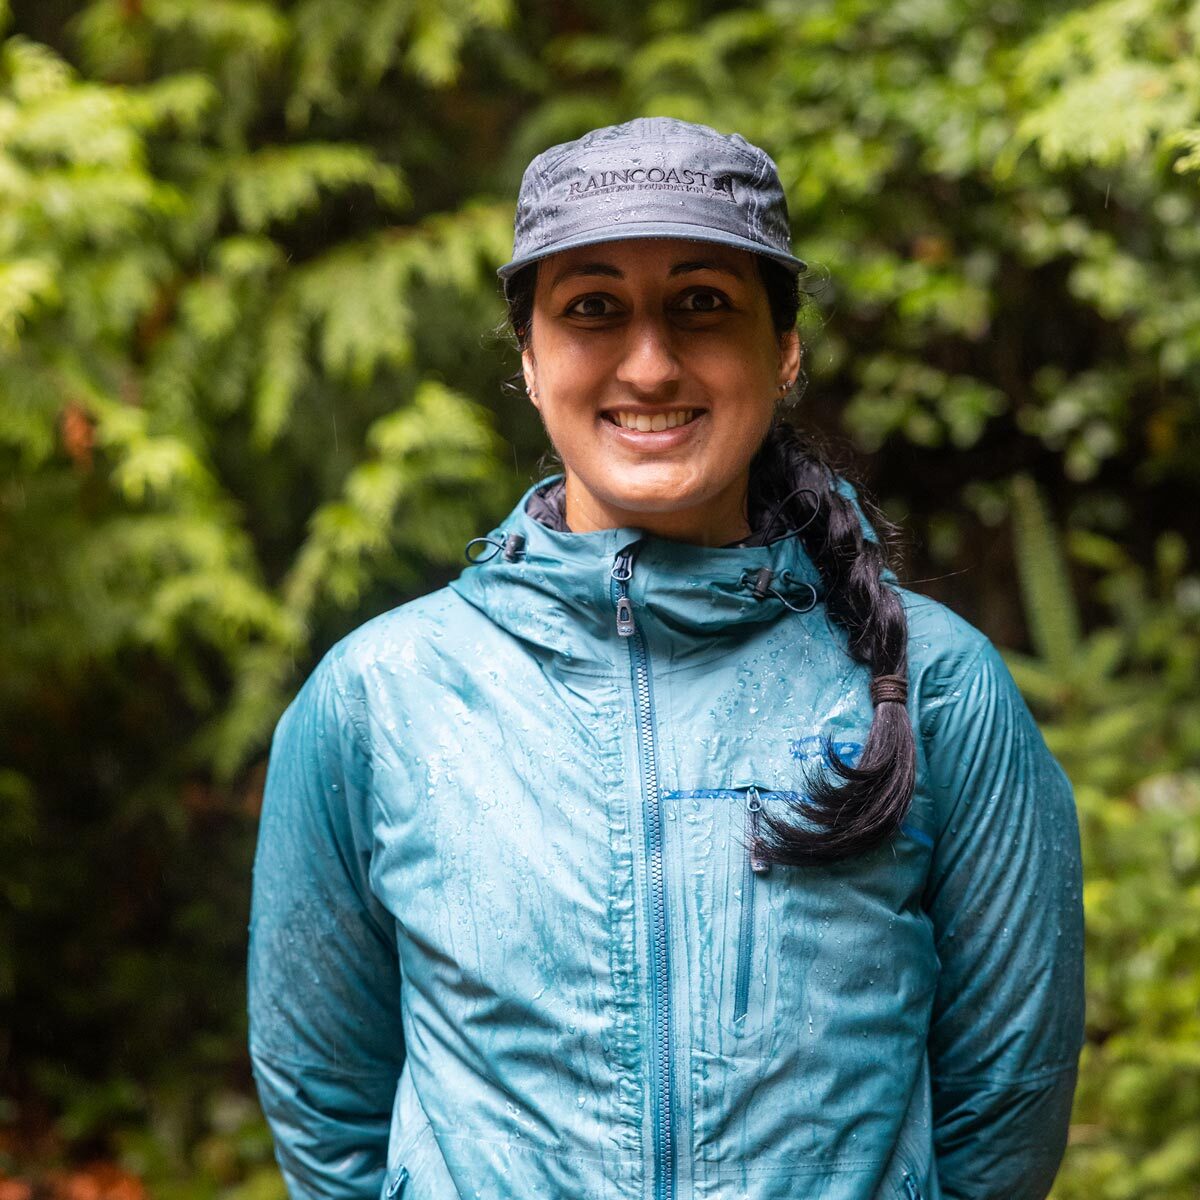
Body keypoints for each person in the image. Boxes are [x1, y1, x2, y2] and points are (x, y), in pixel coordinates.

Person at [247, 117, 1085, 1200]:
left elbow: (1003, 1112)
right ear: (530, 355)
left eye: (703, 304)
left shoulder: (939, 691)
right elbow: (328, 1110)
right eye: (593, 308)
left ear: (783, 351)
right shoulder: (376, 700)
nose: (649, 362)